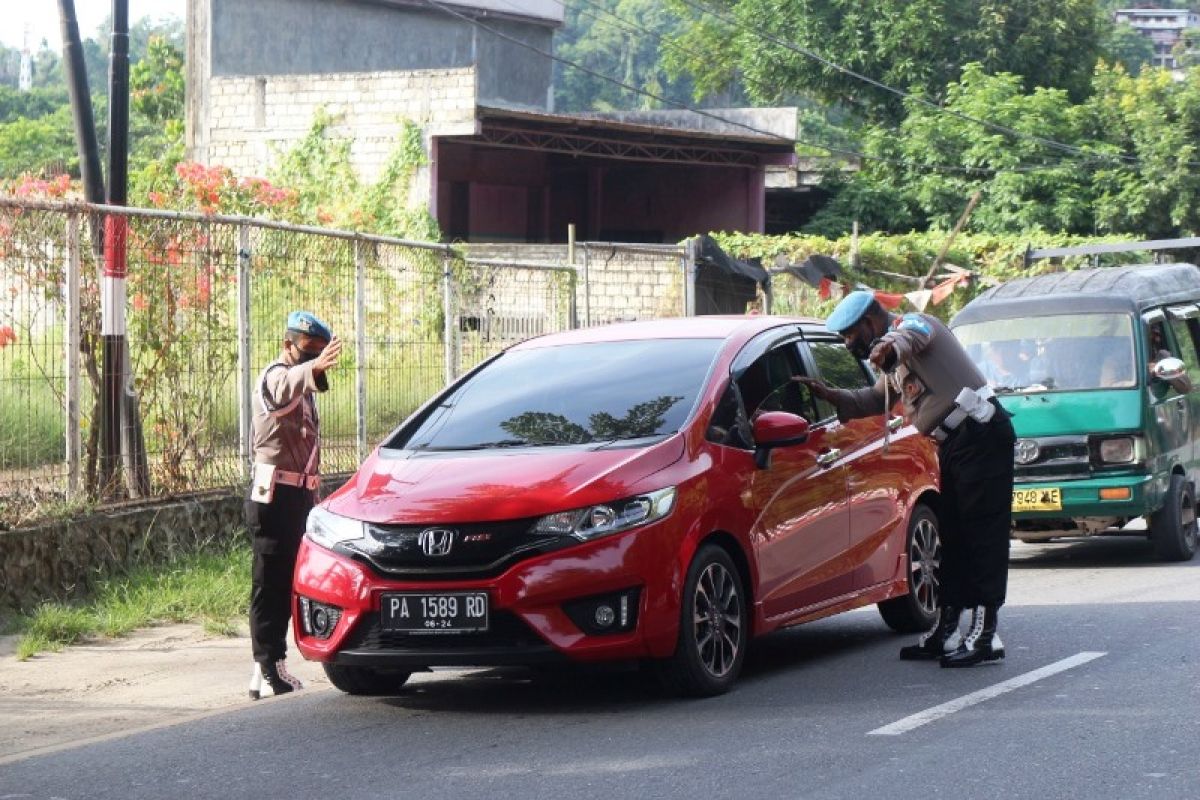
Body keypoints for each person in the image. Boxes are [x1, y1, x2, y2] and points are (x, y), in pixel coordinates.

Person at [796, 291, 1016, 668]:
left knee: (982, 535)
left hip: (982, 436)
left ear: (869, 323)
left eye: (851, 335)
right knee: (955, 537)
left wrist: (886, 347)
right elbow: (870, 400)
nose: (850, 344)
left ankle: (985, 633)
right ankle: (946, 630)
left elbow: (905, 339)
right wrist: (831, 395)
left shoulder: (915, 326)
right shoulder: (895, 369)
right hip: (954, 446)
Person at [246, 311, 341, 699]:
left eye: (320, 350)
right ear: (288, 345)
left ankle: (263, 668)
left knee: (290, 581)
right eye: (308, 349)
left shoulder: (303, 387)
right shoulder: (274, 376)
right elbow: (283, 386)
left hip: (299, 496)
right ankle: (270, 665)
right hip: (274, 499)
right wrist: (313, 368)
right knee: (269, 583)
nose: (315, 357)